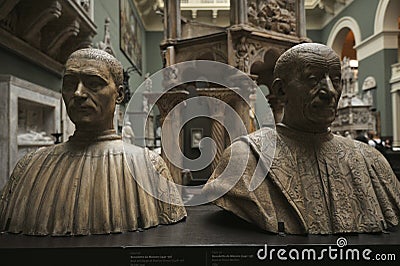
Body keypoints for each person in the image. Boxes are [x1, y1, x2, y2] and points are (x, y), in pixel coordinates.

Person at [204, 43, 400, 234]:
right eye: (313, 79)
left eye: (336, 80)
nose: (330, 91)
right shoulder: (244, 160)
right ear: (281, 91)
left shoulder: (370, 160)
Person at [0, 48, 186, 236]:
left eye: (94, 84)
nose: (78, 93)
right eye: (70, 84)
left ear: (119, 95)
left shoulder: (149, 166)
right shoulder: (29, 167)